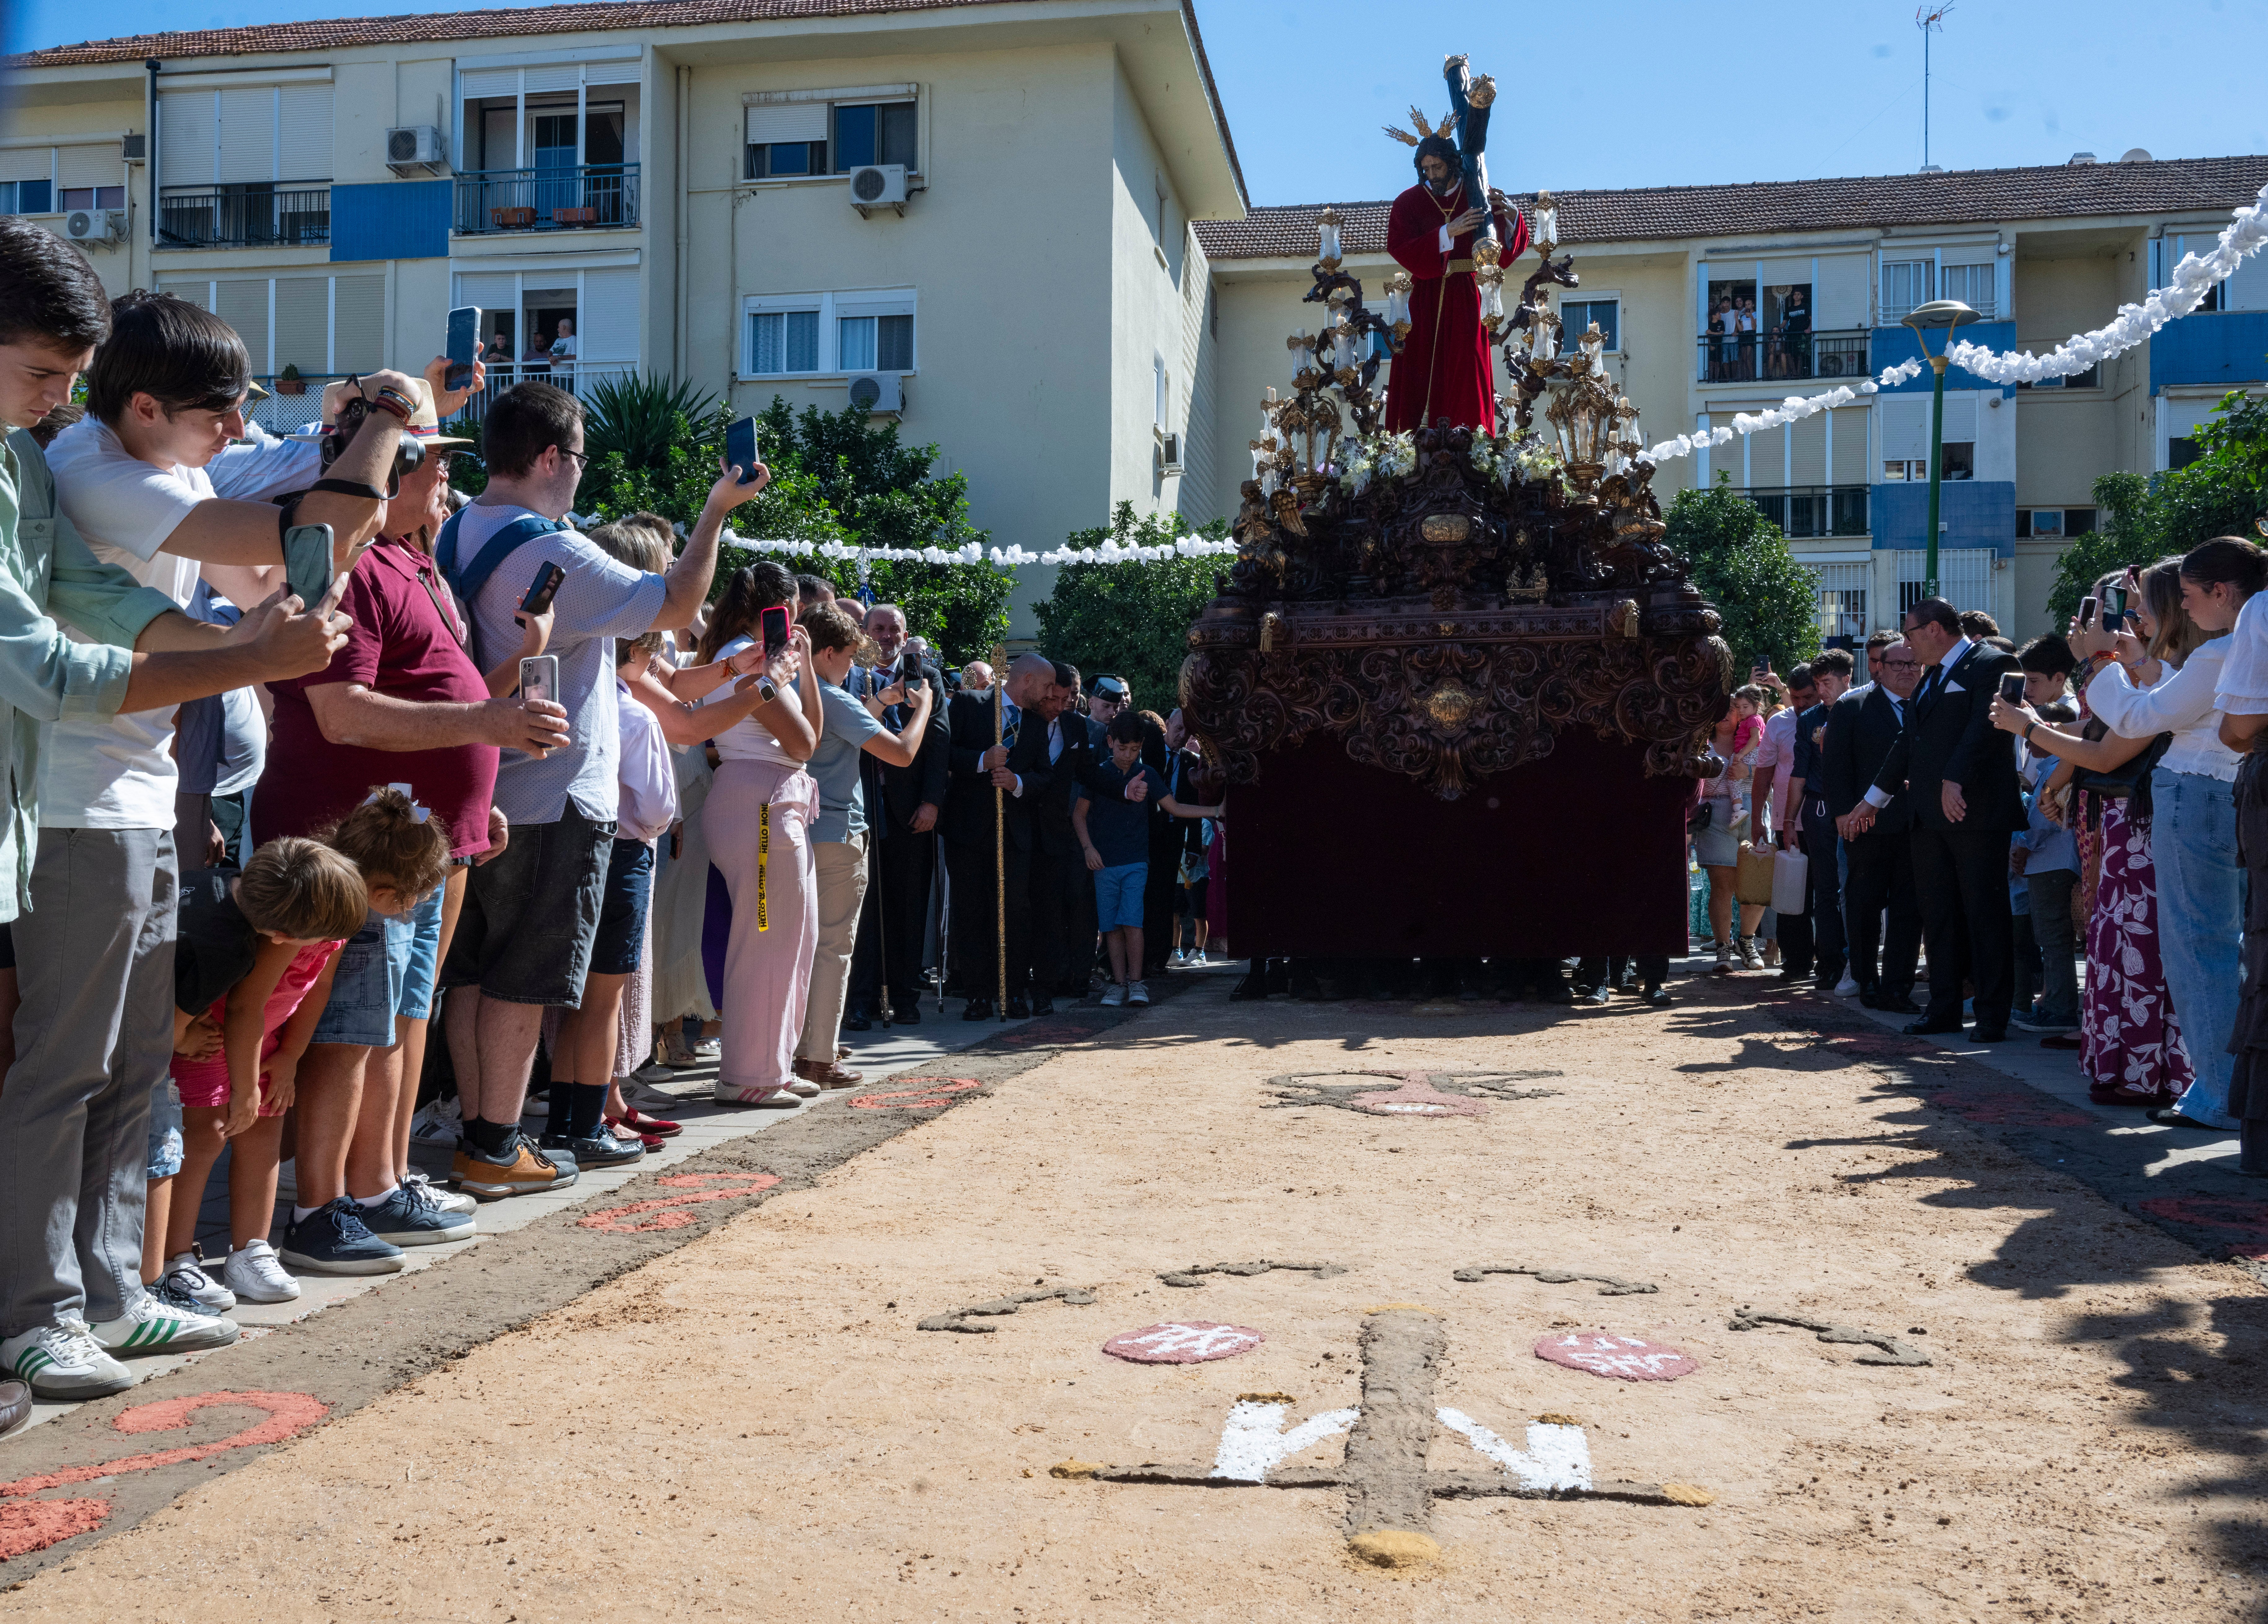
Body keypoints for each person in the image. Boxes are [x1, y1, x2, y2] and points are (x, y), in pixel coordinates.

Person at [0, 270, 385, 1395]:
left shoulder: (43, 459)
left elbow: (112, 597)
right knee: (64, 1072)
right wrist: (386, 423)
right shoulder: (86, 465)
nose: (59, 399)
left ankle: (108, 1295)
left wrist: (244, 647)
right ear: (146, 407)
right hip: (75, 804)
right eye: (44, 373)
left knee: (134, 1069)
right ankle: (37, 1314)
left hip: (140, 795)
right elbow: (49, 663)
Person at [255, 381, 570, 1256]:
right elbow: (342, 713)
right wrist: (486, 728)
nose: (445, 483)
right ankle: (321, 1209)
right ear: (387, 471)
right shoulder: (351, 566)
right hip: (361, 845)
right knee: (351, 1028)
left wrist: (477, 791)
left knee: (399, 1018)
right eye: (432, 466)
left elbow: (444, 694)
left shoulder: (408, 560)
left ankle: (379, 1185)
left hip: (420, 841)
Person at [436, 382, 766, 1174]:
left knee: (472, 976)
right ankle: (496, 1145)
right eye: (581, 457)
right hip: (551, 793)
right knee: (525, 979)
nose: (583, 472)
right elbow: (677, 601)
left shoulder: (453, 531)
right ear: (551, 457)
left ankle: (481, 1136)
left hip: (477, 783)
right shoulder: (554, 550)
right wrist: (717, 509)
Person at [1990, 565, 2196, 1101]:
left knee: (2141, 948)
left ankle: (2151, 1074)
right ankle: (2129, 1068)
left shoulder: (2183, 670)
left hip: (2148, 822)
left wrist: (2032, 726)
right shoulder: (2154, 667)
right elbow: (2100, 729)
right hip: (2128, 824)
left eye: (2136, 604)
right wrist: (2043, 737)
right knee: (2116, 943)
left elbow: (2110, 747)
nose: (2131, 616)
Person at [2072, 543, 2258, 1125]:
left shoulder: (2225, 648)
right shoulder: (2241, 644)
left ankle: (2219, 1094)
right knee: (2230, 946)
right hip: (2230, 794)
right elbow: (2185, 699)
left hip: (2196, 794)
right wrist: (2137, 663)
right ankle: (2229, 1088)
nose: (2184, 605)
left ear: (2221, 592)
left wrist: (2099, 660)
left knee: (2198, 949)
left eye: (2188, 594)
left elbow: (2138, 718)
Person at [155, 838, 367, 1314]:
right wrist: (245, 1085)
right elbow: (244, 1007)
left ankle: (251, 1250)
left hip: (265, 1041)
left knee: (264, 1131)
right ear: (284, 935)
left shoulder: (321, 923)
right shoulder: (273, 929)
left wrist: (290, 1055)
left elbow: (318, 986)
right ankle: (175, 1258)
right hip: (212, 1034)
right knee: (205, 1137)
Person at [1852, 597, 2023, 1041]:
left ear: (1933, 629)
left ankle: (1991, 1015)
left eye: (1909, 634)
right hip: (1927, 817)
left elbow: (1987, 728)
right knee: (1939, 914)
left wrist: (1954, 778)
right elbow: (1908, 743)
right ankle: (1943, 1008)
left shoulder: (1993, 662)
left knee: (1984, 914)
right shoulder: (1931, 677)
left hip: (1975, 813)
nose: (1906, 645)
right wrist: (1872, 800)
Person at [793, 601, 934, 1086]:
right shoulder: (832, 696)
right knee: (833, 948)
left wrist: (881, 703)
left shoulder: (795, 690)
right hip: (836, 834)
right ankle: (818, 1056)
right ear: (828, 653)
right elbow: (902, 752)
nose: (853, 665)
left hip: (799, 830)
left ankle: (801, 1045)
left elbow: (839, 735)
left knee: (800, 946)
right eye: (850, 656)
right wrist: (922, 709)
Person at [694, 563, 820, 1102]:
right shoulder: (744, 658)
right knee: (765, 938)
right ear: (782, 607)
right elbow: (805, 743)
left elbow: (809, 735)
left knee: (794, 936)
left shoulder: (753, 656)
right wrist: (789, 667)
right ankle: (749, 1074)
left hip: (770, 801)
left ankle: (774, 1064)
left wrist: (804, 666)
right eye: (795, 609)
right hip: (761, 806)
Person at [1381, 133, 1528, 434]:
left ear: (1452, 163)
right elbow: (1399, 247)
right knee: (1417, 367)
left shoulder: (1478, 194)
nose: (1431, 174)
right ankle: (1413, 444)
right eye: (1426, 169)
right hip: (1425, 296)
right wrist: (1447, 232)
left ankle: (1470, 441)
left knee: (1467, 365)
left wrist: (1513, 217)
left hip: (1466, 297)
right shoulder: (1409, 202)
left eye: (1437, 167)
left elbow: (1499, 253)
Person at [845, 602, 947, 1030]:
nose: (887, 637)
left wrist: (932, 801)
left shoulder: (926, 678)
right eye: (879, 629)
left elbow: (938, 741)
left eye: (895, 630)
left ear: (906, 637)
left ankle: (904, 997)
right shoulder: (850, 675)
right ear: (865, 634)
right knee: (864, 906)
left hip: (910, 811)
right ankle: (861, 1000)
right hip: (861, 806)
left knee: (908, 905)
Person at [1074, 711, 1218, 1006]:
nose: (1128, 755)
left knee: (1132, 922)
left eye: (1135, 749)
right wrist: (1088, 848)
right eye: (1123, 748)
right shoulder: (1098, 774)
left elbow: (1175, 807)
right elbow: (1079, 814)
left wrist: (1216, 811)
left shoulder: (1147, 773)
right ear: (1110, 742)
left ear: (1141, 746)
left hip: (1136, 861)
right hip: (1104, 862)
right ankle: (1119, 983)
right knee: (1111, 926)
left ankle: (1137, 982)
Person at [942, 654, 1054, 1018]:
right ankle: (977, 994)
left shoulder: (1035, 723)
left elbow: (1044, 776)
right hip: (968, 831)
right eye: (1047, 686)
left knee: (1014, 914)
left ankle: (1013, 991)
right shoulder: (969, 703)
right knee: (971, 911)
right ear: (1027, 680)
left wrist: (1017, 782)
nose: (1050, 694)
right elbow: (944, 753)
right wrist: (981, 761)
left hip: (1014, 835)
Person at [1826, 638, 1923, 1011]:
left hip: (1918, 826)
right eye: (1897, 664)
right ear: (1879, 668)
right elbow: (1836, 767)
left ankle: (1897, 988)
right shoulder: (1853, 706)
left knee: (1909, 910)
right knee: (1864, 906)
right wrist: (1842, 816)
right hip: (1866, 826)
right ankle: (1866, 980)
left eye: (1913, 664)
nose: (1906, 671)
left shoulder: (1929, 705)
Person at [2003, 638, 2082, 1039]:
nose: (2027, 690)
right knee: (2048, 937)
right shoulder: (2046, 746)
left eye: (2033, 681)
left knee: (2053, 938)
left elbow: (2045, 811)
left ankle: (2060, 1008)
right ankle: (2053, 1003)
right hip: (2043, 859)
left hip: (2052, 857)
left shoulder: (2060, 745)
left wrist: (2023, 844)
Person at [1776, 648, 1852, 989]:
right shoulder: (1809, 720)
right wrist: (1789, 822)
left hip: (1861, 810)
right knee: (1825, 890)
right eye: (1817, 684)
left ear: (1847, 679)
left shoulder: (1864, 708)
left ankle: (1859, 964)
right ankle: (1830, 963)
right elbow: (1799, 774)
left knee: (1857, 890)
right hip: (1819, 811)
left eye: (1826, 683)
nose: (1821, 691)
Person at [1698, 684, 1765, 970]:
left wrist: (1748, 770)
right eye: (1720, 709)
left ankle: (1747, 942)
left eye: (1732, 709)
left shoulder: (1757, 737)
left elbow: (1774, 770)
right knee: (1722, 887)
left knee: (1756, 884)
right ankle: (1723, 948)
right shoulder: (1700, 743)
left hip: (1754, 812)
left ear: (1742, 712)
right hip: (1715, 817)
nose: (1726, 714)